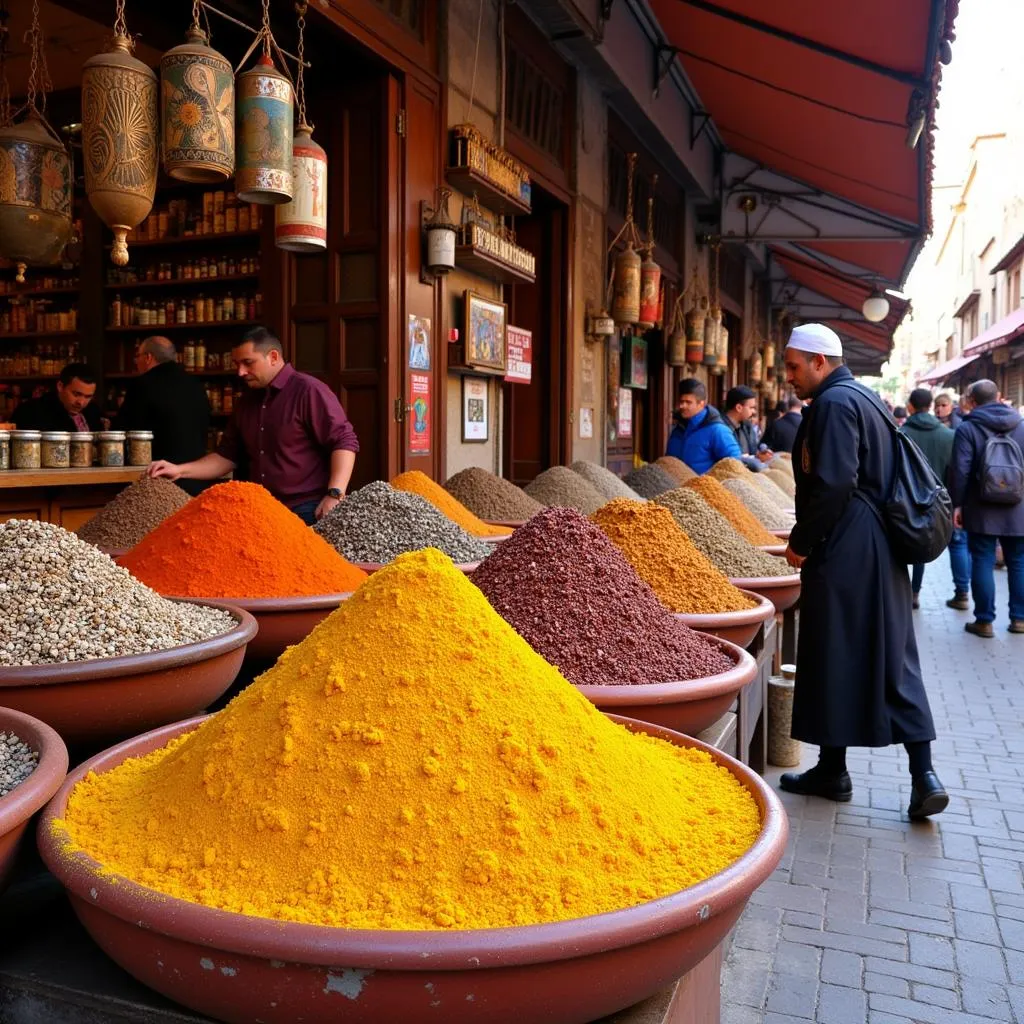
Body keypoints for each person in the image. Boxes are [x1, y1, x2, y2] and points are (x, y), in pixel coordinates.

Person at [778, 323, 946, 820]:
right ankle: (865, 771)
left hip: (850, 546)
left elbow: (833, 483)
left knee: (842, 650)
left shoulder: (833, 404)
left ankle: (892, 774)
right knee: (885, 655)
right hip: (874, 546)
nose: (788, 376)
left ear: (820, 362)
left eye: (793, 366)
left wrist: (801, 543)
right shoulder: (862, 396)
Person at [149, 327, 359, 524]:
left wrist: (335, 494)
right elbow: (226, 456)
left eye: (248, 362)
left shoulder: (308, 391)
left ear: (273, 357)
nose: (240, 372)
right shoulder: (246, 402)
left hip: (307, 509)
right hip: (261, 509)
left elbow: (344, 441)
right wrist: (179, 470)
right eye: (237, 364)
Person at [947, 378, 1024, 637]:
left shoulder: (968, 429)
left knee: (982, 559)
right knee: (1019, 562)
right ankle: (1019, 619)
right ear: (1000, 396)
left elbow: (960, 471)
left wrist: (957, 505)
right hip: (1018, 508)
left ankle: (984, 621)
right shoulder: (1022, 425)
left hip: (981, 507)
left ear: (971, 401)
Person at [114, 337, 211, 496]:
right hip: (197, 477)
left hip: (158, 479)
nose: (136, 362)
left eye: (137, 357)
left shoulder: (142, 385)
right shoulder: (195, 384)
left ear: (148, 357)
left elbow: (124, 430)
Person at [902, 388, 960, 610]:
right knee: (921, 546)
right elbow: (954, 472)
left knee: (899, 545)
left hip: (903, 500)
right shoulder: (949, 436)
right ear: (930, 405)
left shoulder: (901, 432)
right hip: (936, 502)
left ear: (911, 406)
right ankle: (915, 592)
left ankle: (902, 590)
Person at [666, 378, 742, 474]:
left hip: (704, 487)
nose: (682, 406)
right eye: (681, 402)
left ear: (701, 403)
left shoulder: (717, 430)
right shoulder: (678, 429)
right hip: (675, 486)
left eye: (688, 402)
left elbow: (734, 463)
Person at [13, 363, 102, 433]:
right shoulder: (31, 411)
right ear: (60, 386)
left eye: (88, 396)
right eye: (76, 394)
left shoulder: (93, 411)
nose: (81, 402)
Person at [721, 385, 772, 471]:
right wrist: (754, 459)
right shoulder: (721, 429)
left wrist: (759, 454)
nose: (754, 412)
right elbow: (730, 460)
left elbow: (752, 450)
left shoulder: (746, 426)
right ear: (739, 408)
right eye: (751, 408)